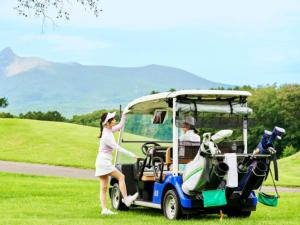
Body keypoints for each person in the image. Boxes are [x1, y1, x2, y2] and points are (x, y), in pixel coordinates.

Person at [95, 111, 138, 215]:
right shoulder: (107, 135)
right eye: (112, 120)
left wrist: (124, 114)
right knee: (121, 177)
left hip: (101, 161)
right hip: (104, 162)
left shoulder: (109, 130)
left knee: (103, 188)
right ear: (107, 123)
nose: (114, 121)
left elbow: (120, 125)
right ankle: (126, 199)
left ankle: (104, 210)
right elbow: (117, 147)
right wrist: (131, 154)